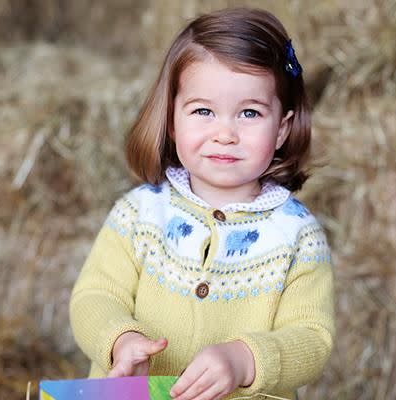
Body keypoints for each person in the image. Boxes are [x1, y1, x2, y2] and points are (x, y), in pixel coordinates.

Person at [69, 7, 335, 400]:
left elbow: (312, 338)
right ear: (173, 121)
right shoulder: (140, 214)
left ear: (281, 129)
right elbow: (95, 296)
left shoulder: (296, 235)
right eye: (203, 111)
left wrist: (244, 359)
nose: (225, 133)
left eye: (249, 112)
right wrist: (120, 340)